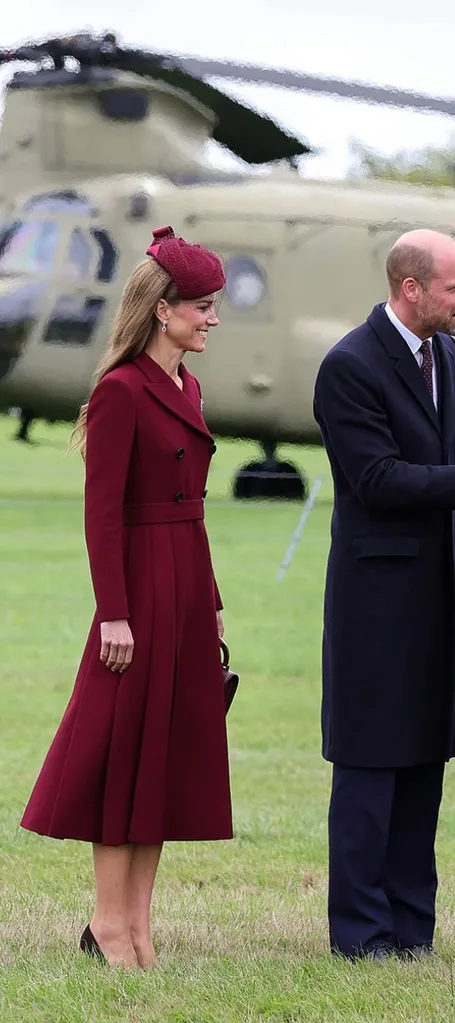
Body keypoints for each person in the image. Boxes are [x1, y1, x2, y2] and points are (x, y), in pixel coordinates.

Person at [312, 228, 455, 961]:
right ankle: (361, 934)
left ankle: (412, 929)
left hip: (430, 598)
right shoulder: (349, 366)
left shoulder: (446, 353)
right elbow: (377, 479)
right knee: (370, 763)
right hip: (373, 599)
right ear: (411, 288)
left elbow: (443, 466)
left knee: (422, 762)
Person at [20, 226, 232, 970]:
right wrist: (114, 610)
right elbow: (101, 511)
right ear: (161, 309)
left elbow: (195, 506)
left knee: (165, 762)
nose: (212, 318)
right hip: (137, 589)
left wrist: (210, 602)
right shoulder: (119, 390)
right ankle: (109, 925)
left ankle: (138, 925)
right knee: (121, 758)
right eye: (202, 306)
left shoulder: (188, 386)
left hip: (184, 584)